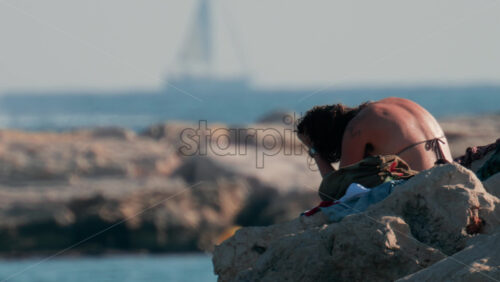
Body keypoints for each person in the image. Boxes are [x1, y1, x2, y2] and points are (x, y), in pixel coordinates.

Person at [297, 97, 452, 178]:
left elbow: (336, 189)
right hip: (451, 173)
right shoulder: (394, 103)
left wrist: (314, 150)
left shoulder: (355, 128)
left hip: (426, 187)